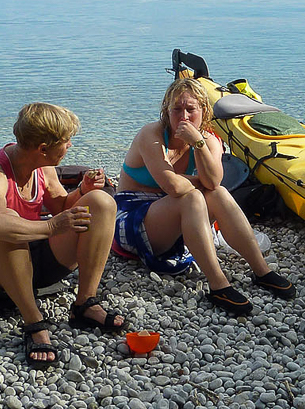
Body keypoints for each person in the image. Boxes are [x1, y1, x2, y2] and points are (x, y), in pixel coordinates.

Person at [114, 76, 294, 316]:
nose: (184, 117)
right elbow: (174, 187)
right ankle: (218, 283)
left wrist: (197, 142)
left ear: (204, 111)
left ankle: (262, 270)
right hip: (133, 220)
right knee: (194, 196)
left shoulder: (208, 140)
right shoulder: (152, 135)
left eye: (191, 110)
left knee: (217, 193)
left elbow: (215, 183)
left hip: (180, 217)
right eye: (176, 110)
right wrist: (198, 184)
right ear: (166, 111)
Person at [0, 102, 122, 369]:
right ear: (43, 148)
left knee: (101, 202)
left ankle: (85, 303)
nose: (70, 145)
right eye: (66, 141)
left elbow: (60, 206)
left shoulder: (43, 167)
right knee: (7, 224)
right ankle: (34, 322)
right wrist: (50, 227)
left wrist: (81, 191)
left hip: (32, 258)